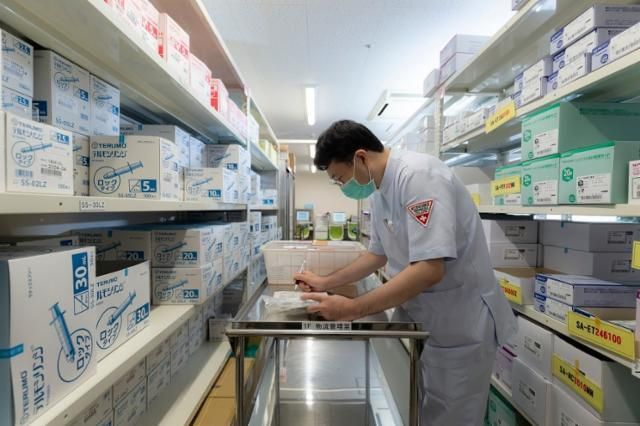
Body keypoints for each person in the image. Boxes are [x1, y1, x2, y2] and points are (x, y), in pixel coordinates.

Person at [294, 120, 517, 426]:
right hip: (422, 319)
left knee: (452, 418)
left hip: (459, 324)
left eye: (340, 178)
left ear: (360, 157)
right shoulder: (378, 190)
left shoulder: (420, 177)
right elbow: (376, 254)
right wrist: (325, 282)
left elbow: (429, 269)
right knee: (419, 411)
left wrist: (352, 308)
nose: (343, 187)